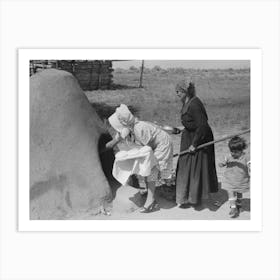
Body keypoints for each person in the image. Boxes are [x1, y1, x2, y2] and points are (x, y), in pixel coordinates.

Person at [106, 104, 173, 213]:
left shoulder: (139, 129)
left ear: (124, 124)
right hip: (151, 147)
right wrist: (109, 144)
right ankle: (150, 192)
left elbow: (147, 152)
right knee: (146, 168)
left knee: (152, 169)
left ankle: (151, 200)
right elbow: (111, 143)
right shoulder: (128, 130)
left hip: (162, 144)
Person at [175, 80, 219, 207]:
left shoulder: (195, 104)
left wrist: (195, 144)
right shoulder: (187, 102)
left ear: (185, 91)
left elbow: (202, 125)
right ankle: (187, 196)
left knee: (197, 168)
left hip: (200, 138)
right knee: (186, 165)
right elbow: (192, 122)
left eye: (178, 91)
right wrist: (184, 128)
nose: (177, 94)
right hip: (190, 136)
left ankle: (195, 197)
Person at [219, 136, 250, 218]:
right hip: (229, 179)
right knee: (230, 192)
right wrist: (221, 164)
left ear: (241, 150)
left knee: (239, 192)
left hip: (241, 179)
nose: (233, 153)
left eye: (236, 152)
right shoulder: (229, 156)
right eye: (231, 151)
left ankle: (239, 205)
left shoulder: (246, 157)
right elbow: (223, 162)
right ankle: (233, 208)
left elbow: (250, 165)